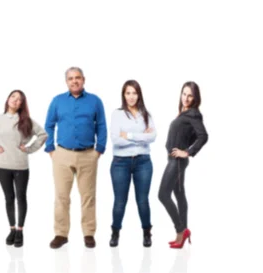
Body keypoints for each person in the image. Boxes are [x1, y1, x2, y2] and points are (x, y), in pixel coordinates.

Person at [44, 66, 107, 249]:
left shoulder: (95, 101)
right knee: (61, 196)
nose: (74, 81)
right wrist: (51, 150)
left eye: (77, 77)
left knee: (88, 196)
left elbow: (101, 126)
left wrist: (99, 150)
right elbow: (49, 125)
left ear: (84, 79)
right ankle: (61, 234)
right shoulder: (57, 101)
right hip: (62, 155)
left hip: (88, 155)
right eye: (71, 78)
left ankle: (88, 233)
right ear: (66, 81)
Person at [0, 90, 47, 247]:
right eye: (13, 97)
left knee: (21, 197)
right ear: (8, 99)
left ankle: (20, 230)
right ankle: (12, 229)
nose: (16, 101)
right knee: (9, 198)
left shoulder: (25, 120)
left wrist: (28, 149)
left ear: (22, 104)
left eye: (19, 99)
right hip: (2, 165)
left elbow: (42, 135)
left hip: (21, 165)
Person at [158, 81, 208, 249]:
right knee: (179, 193)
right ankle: (182, 233)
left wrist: (187, 151)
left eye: (190, 95)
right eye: (184, 94)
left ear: (195, 98)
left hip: (177, 161)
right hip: (174, 160)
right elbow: (192, 135)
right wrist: (186, 146)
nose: (186, 98)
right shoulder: (184, 113)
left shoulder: (193, 114)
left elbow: (203, 136)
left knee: (163, 195)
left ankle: (181, 230)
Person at [108, 80, 157, 248]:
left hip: (143, 162)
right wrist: (140, 136)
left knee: (142, 200)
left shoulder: (146, 114)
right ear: (123, 95)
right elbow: (115, 139)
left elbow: (153, 137)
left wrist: (128, 135)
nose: (131, 97)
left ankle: (147, 232)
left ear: (139, 95)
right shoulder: (117, 114)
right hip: (120, 162)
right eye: (128, 93)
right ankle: (115, 232)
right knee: (120, 201)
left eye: (134, 93)